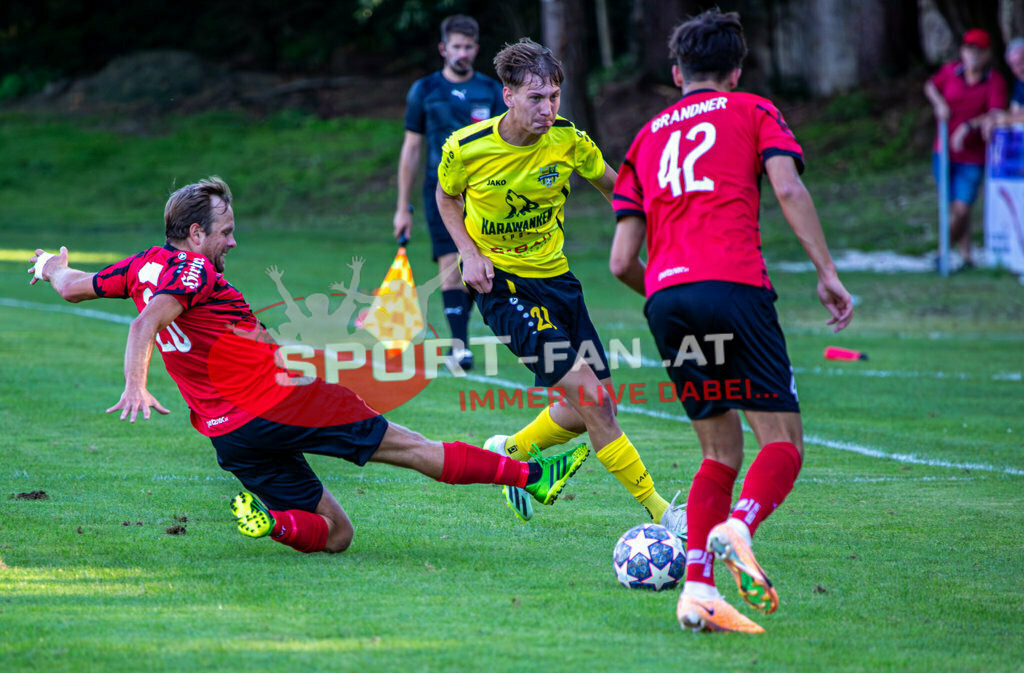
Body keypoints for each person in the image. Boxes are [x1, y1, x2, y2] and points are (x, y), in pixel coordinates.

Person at [27, 177, 588, 555]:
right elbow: (144, 323)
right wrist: (135, 384)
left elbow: (74, 287)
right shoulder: (191, 272)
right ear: (195, 234)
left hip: (230, 436)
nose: (233, 240)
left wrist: (51, 265)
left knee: (337, 535)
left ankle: (272, 523)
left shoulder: (140, 265)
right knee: (412, 445)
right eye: (225, 231)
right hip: (283, 401)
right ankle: (534, 477)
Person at [609, 10, 854, 634]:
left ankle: (697, 592)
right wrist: (826, 271)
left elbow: (619, 262)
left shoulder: (645, 137)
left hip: (667, 298)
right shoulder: (751, 109)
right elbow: (789, 189)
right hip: (735, 286)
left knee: (718, 453)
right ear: (736, 69)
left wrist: (670, 289)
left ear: (675, 72)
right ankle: (738, 526)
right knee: (783, 444)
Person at [436, 38, 684, 533]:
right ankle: (664, 513)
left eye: (553, 96)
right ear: (507, 95)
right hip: (504, 290)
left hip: (560, 284)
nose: (547, 108)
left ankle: (514, 451)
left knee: (593, 403)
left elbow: (617, 188)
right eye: (535, 98)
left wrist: (667, 215)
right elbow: (446, 198)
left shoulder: (568, 140)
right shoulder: (465, 148)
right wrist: (468, 254)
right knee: (594, 402)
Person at [393, 14, 506, 371]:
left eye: (469, 46)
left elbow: (506, 144)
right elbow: (412, 148)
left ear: (477, 48)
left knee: (481, 259)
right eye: (456, 46)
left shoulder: (491, 90)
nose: (463, 52)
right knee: (449, 262)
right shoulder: (424, 90)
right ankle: (460, 346)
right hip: (439, 189)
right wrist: (402, 207)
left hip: (485, 190)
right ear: (443, 48)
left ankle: (465, 333)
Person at [924, 28, 1007, 268]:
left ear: (987, 54)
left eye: (979, 51)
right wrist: (940, 104)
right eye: (970, 50)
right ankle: (967, 254)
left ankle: (942, 252)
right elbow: (930, 86)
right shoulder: (950, 72)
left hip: (973, 155)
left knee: (962, 208)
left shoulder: (994, 81)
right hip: (944, 151)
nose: (973, 55)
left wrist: (969, 126)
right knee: (953, 205)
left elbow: (996, 113)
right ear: (963, 51)